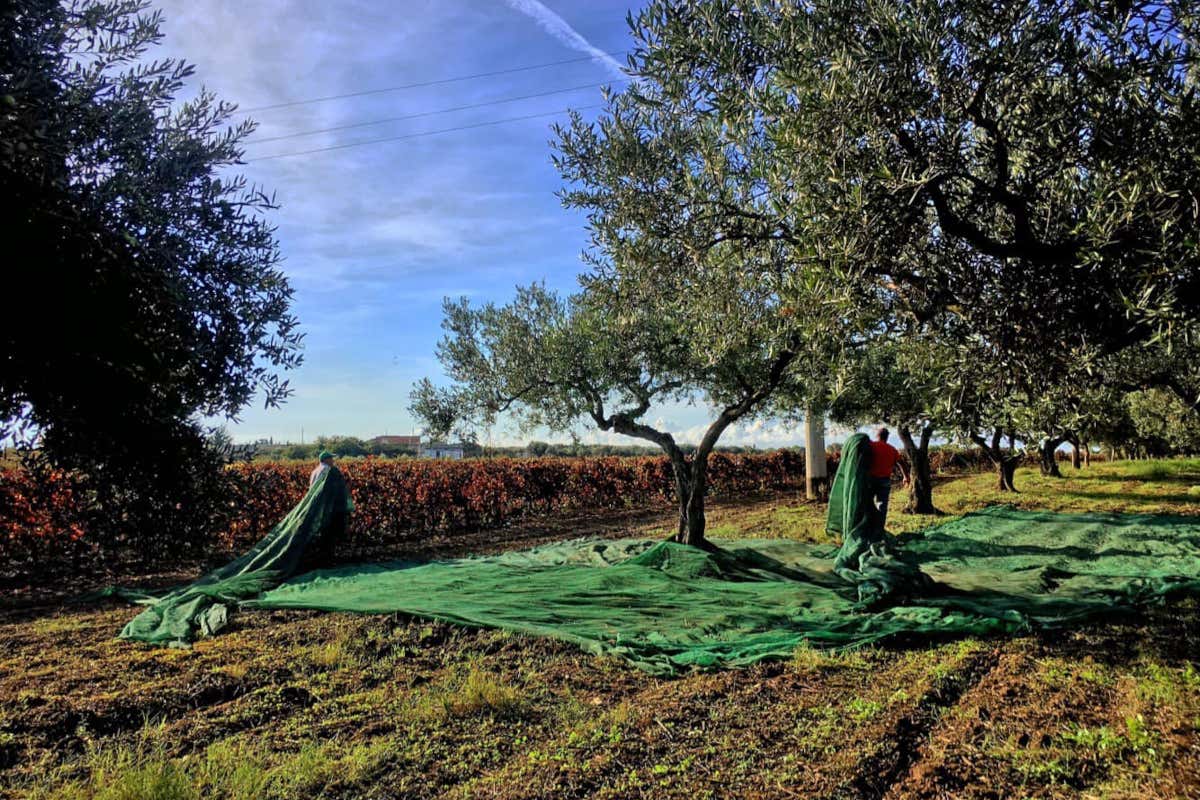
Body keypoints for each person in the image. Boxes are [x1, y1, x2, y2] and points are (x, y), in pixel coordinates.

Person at [305, 450, 352, 567]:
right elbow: (333, 489)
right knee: (329, 533)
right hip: (328, 508)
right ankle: (327, 560)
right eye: (331, 458)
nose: (333, 460)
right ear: (325, 460)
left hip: (317, 506)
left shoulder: (315, 471)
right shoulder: (329, 470)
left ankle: (322, 558)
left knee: (322, 532)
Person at [866, 427, 907, 532]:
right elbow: (901, 463)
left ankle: (867, 527)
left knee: (866, 503)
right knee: (882, 507)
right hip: (884, 481)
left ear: (877, 435)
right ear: (887, 437)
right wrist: (906, 476)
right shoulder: (892, 449)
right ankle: (879, 531)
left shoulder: (871, 446)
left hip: (870, 481)